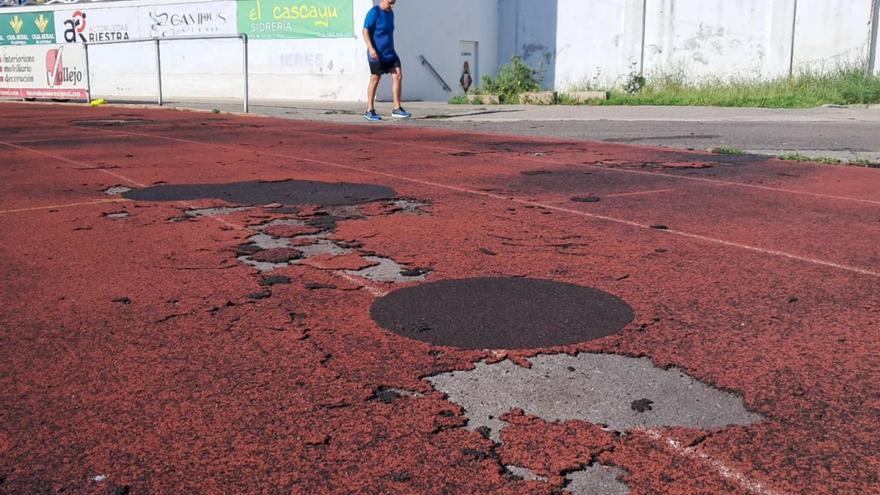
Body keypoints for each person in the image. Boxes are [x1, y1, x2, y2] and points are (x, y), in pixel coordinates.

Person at [363, 0, 411, 121]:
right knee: (375, 79)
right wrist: (370, 48)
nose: (392, 5)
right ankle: (369, 110)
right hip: (376, 54)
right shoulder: (374, 12)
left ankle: (396, 108)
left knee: (398, 75)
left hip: (390, 53)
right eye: (390, 3)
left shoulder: (390, 13)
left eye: (394, 2)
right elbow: (365, 31)